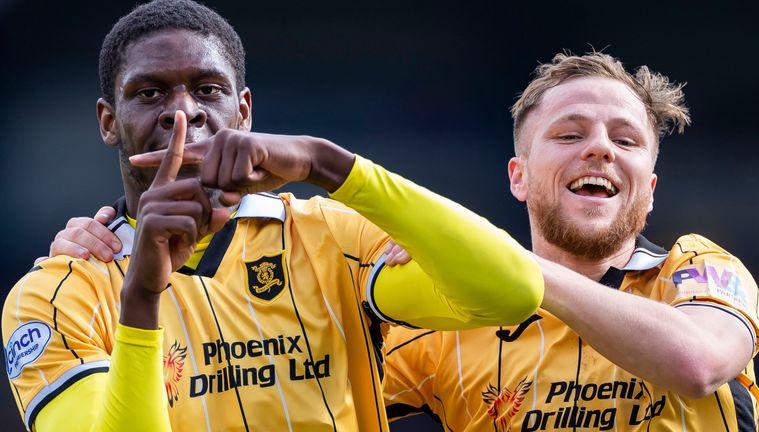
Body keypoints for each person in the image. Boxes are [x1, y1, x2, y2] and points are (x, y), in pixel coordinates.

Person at [0, 1, 545, 431]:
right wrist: (140, 301)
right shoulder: (56, 294)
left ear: (244, 111)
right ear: (108, 120)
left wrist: (327, 162)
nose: (183, 111)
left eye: (208, 89)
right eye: (149, 92)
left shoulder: (330, 237)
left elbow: (512, 292)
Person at [380, 52, 759, 431]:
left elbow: (697, 364)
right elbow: (329, 387)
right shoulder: (450, 320)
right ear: (519, 178)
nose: (601, 148)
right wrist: (371, 275)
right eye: (569, 135)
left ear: (648, 191)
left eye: (626, 140)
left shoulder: (700, 269)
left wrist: (502, 261)